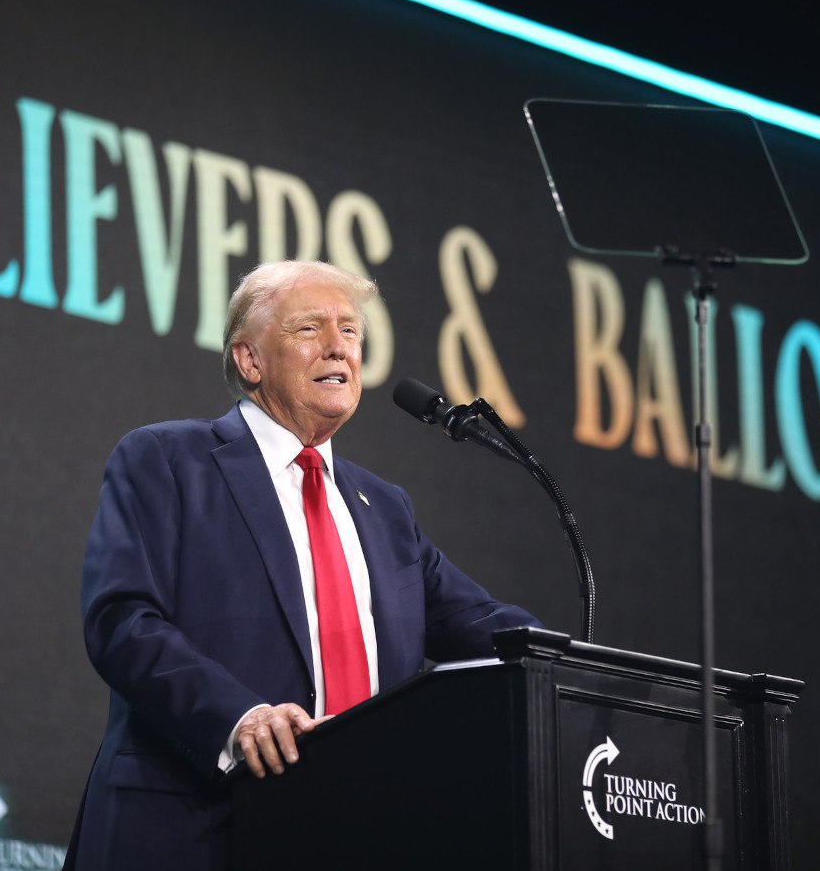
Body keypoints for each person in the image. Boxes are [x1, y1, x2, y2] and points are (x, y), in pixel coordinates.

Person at [63, 260, 540, 870]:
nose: (338, 346)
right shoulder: (168, 460)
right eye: (309, 329)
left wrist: (577, 671)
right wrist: (239, 716)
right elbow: (122, 620)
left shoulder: (385, 510)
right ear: (249, 360)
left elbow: (492, 630)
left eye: (350, 331)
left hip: (350, 835)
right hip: (196, 825)